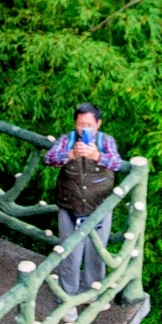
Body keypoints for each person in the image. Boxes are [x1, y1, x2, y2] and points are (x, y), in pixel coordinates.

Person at [42, 104, 126, 298]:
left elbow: (118, 163)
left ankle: (92, 293)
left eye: (89, 124)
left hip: (100, 207)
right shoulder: (67, 140)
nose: (84, 129)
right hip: (69, 206)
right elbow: (48, 159)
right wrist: (69, 155)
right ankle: (67, 295)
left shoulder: (106, 141)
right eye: (81, 124)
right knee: (69, 254)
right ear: (75, 124)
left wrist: (97, 156)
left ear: (98, 124)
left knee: (96, 253)